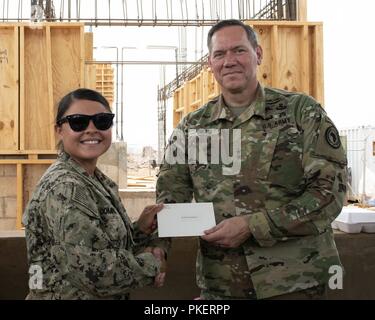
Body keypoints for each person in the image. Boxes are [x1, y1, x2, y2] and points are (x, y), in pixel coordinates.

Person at [156, 19, 348, 300]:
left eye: (239, 50)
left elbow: (329, 194)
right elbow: (170, 196)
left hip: (295, 284)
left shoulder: (301, 112)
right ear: (210, 63)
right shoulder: (191, 127)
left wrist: (254, 225)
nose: (229, 61)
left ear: (258, 54)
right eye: (219, 54)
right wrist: (158, 247)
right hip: (221, 286)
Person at [23, 88, 167, 299]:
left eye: (102, 121)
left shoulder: (93, 179)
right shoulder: (67, 187)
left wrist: (139, 230)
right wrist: (154, 263)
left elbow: (99, 243)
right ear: (59, 130)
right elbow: (94, 273)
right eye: (78, 122)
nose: (91, 129)